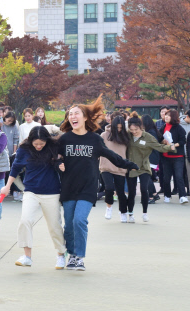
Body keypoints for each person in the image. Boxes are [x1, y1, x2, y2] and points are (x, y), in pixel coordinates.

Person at [58, 98, 138, 271]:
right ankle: (71, 254)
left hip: (88, 187)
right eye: (70, 114)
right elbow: (52, 158)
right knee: (69, 224)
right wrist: (57, 164)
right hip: (68, 187)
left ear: (85, 117)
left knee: (80, 220)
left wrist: (128, 164)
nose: (73, 116)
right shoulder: (64, 139)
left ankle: (79, 257)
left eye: (76, 113)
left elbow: (111, 155)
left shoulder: (94, 139)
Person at [1, 126, 66, 269]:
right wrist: (7, 186)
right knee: (25, 221)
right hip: (31, 191)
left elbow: (63, 137)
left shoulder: (53, 146)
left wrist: (60, 163)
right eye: (36, 144)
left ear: (46, 141)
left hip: (52, 192)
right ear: (31, 141)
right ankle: (27, 256)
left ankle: (61, 254)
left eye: (41, 144)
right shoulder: (24, 149)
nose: (38, 146)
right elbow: (16, 168)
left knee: (54, 226)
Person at [127, 112, 176, 222]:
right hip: (131, 167)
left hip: (144, 167)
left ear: (141, 127)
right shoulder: (127, 135)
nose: (134, 132)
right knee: (131, 192)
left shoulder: (148, 136)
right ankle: (130, 214)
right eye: (132, 130)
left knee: (144, 189)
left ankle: (144, 213)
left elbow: (159, 147)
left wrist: (171, 147)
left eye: (136, 130)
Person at [99, 116, 130, 220]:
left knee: (121, 192)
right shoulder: (104, 135)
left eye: (121, 127)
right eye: (117, 127)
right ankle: (109, 207)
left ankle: (123, 212)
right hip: (106, 166)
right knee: (109, 188)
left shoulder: (126, 136)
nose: (119, 129)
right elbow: (98, 149)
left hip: (120, 168)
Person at [159, 109, 188, 203]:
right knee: (166, 178)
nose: (166, 116)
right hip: (165, 157)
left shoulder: (178, 128)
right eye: (165, 115)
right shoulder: (163, 127)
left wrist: (174, 145)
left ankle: (182, 196)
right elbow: (158, 139)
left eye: (169, 115)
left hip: (178, 156)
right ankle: (167, 195)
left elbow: (183, 141)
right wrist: (163, 141)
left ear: (174, 117)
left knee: (179, 176)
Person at [142, 114, 163, 204]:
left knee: (146, 177)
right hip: (152, 157)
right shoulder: (153, 130)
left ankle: (151, 196)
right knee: (148, 176)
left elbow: (149, 144)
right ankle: (154, 194)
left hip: (151, 157)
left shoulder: (150, 132)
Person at [1, 111, 21, 200]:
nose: (9, 122)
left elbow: (15, 139)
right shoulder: (0, 125)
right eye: (8, 120)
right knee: (2, 172)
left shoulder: (14, 126)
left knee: (11, 172)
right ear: (5, 118)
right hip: (1, 152)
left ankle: (12, 190)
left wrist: (14, 152)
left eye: (11, 121)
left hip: (11, 152)